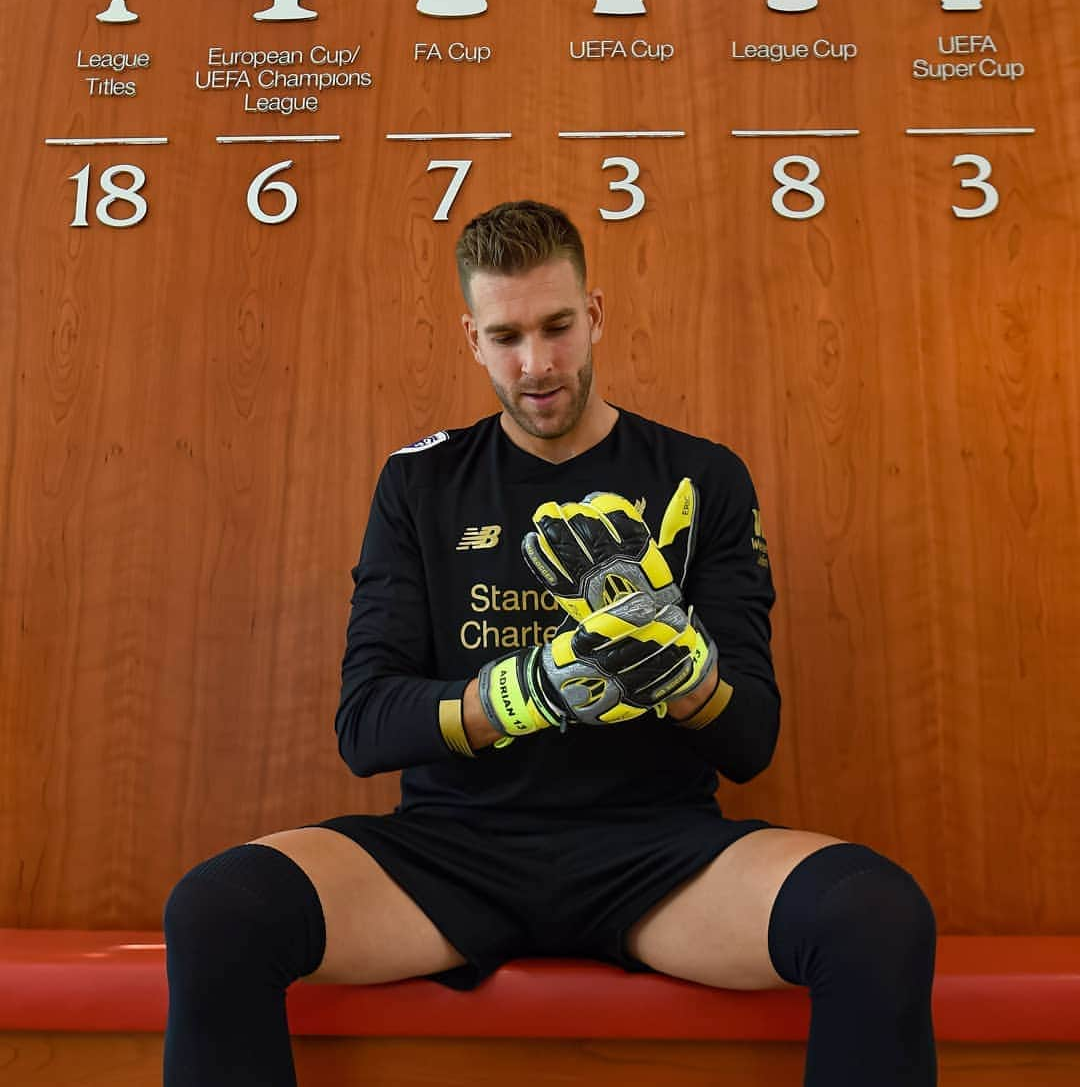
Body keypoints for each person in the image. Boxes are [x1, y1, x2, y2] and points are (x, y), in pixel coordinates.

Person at [163, 200, 937, 1085]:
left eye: (558, 326)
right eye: (506, 335)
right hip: (453, 851)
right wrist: (516, 695)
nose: (537, 364)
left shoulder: (702, 476)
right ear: (472, 337)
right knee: (217, 909)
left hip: (656, 851)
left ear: (595, 314)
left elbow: (751, 736)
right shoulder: (419, 481)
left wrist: (687, 675)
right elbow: (366, 722)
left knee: (875, 913)